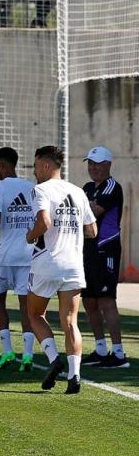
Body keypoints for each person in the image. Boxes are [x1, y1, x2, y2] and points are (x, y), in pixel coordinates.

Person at [25, 145, 97, 394]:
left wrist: (30, 236)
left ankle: (54, 359)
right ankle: (75, 376)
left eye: (35, 166)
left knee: (34, 314)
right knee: (70, 322)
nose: (34, 171)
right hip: (74, 264)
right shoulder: (78, 191)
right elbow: (92, 230)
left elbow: (43, 222)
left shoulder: (41, 190)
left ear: (45, 165)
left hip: (47, 261)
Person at [0, 147, 37, 371]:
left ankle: (7, 351)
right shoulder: (32, 188)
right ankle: (27, 354)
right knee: (26, 305)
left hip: (3, 257)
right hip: (27, 255)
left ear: (1, 165)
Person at [80, 146, 129, 368]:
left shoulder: (112, 187)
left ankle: (118, 353)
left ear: (108, 164)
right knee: (89, 300)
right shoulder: (87, 187)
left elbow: (93, 212)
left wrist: (83, 208)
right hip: (87, 251)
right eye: (90, 163)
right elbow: (83, 212)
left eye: (98, 163)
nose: (93, 168)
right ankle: (100, 349)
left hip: (105, 249)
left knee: (106, 300)